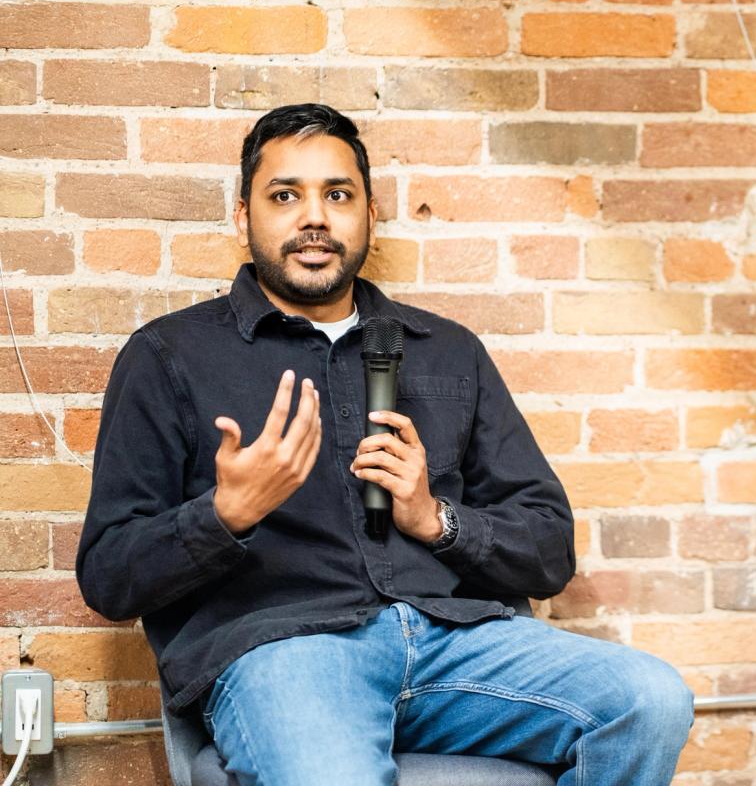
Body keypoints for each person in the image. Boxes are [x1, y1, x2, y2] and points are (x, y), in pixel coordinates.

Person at [76, 103, 693, 786]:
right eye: (285, 196)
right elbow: (108, 576)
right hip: (287, 653)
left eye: (338, 195)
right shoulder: (169, 357)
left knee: (649, 701)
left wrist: (437, 520)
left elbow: (549, 550)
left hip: (454, 645)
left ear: (370, 215)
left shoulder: (448, 351)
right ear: (243, 217)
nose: (314, 217)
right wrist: (226, 515)